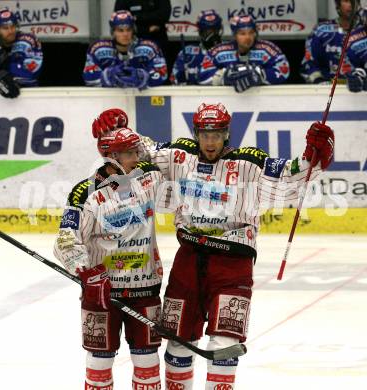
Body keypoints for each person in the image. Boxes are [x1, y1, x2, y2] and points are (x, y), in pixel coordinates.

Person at [93, 103, 335, 389]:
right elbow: (136, 151)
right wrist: (116, 130)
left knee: (224, 343)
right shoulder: (179, 155)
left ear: (226, 134)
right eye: (205, 134)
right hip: (189, 257)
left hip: (233, 263)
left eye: (217, 134)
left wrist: (317, 155)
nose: (211, 141)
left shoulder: (249, 162)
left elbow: (292, 174)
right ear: (197, 133)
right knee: (177, 341)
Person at [53, 108, 165, 390]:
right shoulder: (86, 192)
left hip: (145, 288)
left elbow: (159, 152)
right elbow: (66, 238)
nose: (137, 158)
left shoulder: (149, 177)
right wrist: (84, 271)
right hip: (102, 292)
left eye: (135, 152)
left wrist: (125, 131)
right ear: (113, 158)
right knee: (100, 362)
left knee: (148, 360)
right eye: (129, 154)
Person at [198, 15, 290, 92]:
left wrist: (260, 74)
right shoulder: (218, 51)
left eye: (251, 33)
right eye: (242, 34)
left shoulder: (267, 49)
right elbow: (202, 76)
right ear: (234, 35)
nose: (248, 37)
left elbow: (284, 71)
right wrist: (225, 76)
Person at [83, 10, 167, 89]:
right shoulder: (98, 49)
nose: (125, 34)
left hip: (141, 99)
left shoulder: (150, 48)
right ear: (113, 32)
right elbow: (89, 78)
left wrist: (142, 77)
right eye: (120, 30)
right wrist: (109, 75)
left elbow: (162, 75)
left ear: (133, 30)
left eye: (128, 29)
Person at [300, 0, 364, 85]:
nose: (351, 5)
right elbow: (308, 63)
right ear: (337, 5)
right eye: (346, 1)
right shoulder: (322, 30)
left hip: (360, 90)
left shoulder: (364, 31)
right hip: (326, 89)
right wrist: (318, 81)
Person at [0, 7, 43, 99]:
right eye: (5, 28)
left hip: (29, 96)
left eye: (13, 26)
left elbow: (27, 75)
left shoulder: (28, 40)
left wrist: (3, 73)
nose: (10, 31)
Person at [170, 9, 223, 85]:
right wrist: (180, 76)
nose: (213, 35)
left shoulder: (229, 50)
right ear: (200, 31)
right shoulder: (187, 52)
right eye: (208, 31)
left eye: (215, 30)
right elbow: (174, 80)